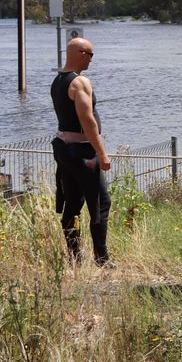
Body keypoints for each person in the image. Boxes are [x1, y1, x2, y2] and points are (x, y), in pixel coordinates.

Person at [50, 37, 114, 267]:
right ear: (81, 53)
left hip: (64, 151)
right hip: (84, 154)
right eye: (91, 55)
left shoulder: (58, 80)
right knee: (100, 203)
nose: (91, 60)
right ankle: (101, 258)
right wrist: (103, 154)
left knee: (73, 204)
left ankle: (75, 257)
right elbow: (87, 121)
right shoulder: (80, 83)